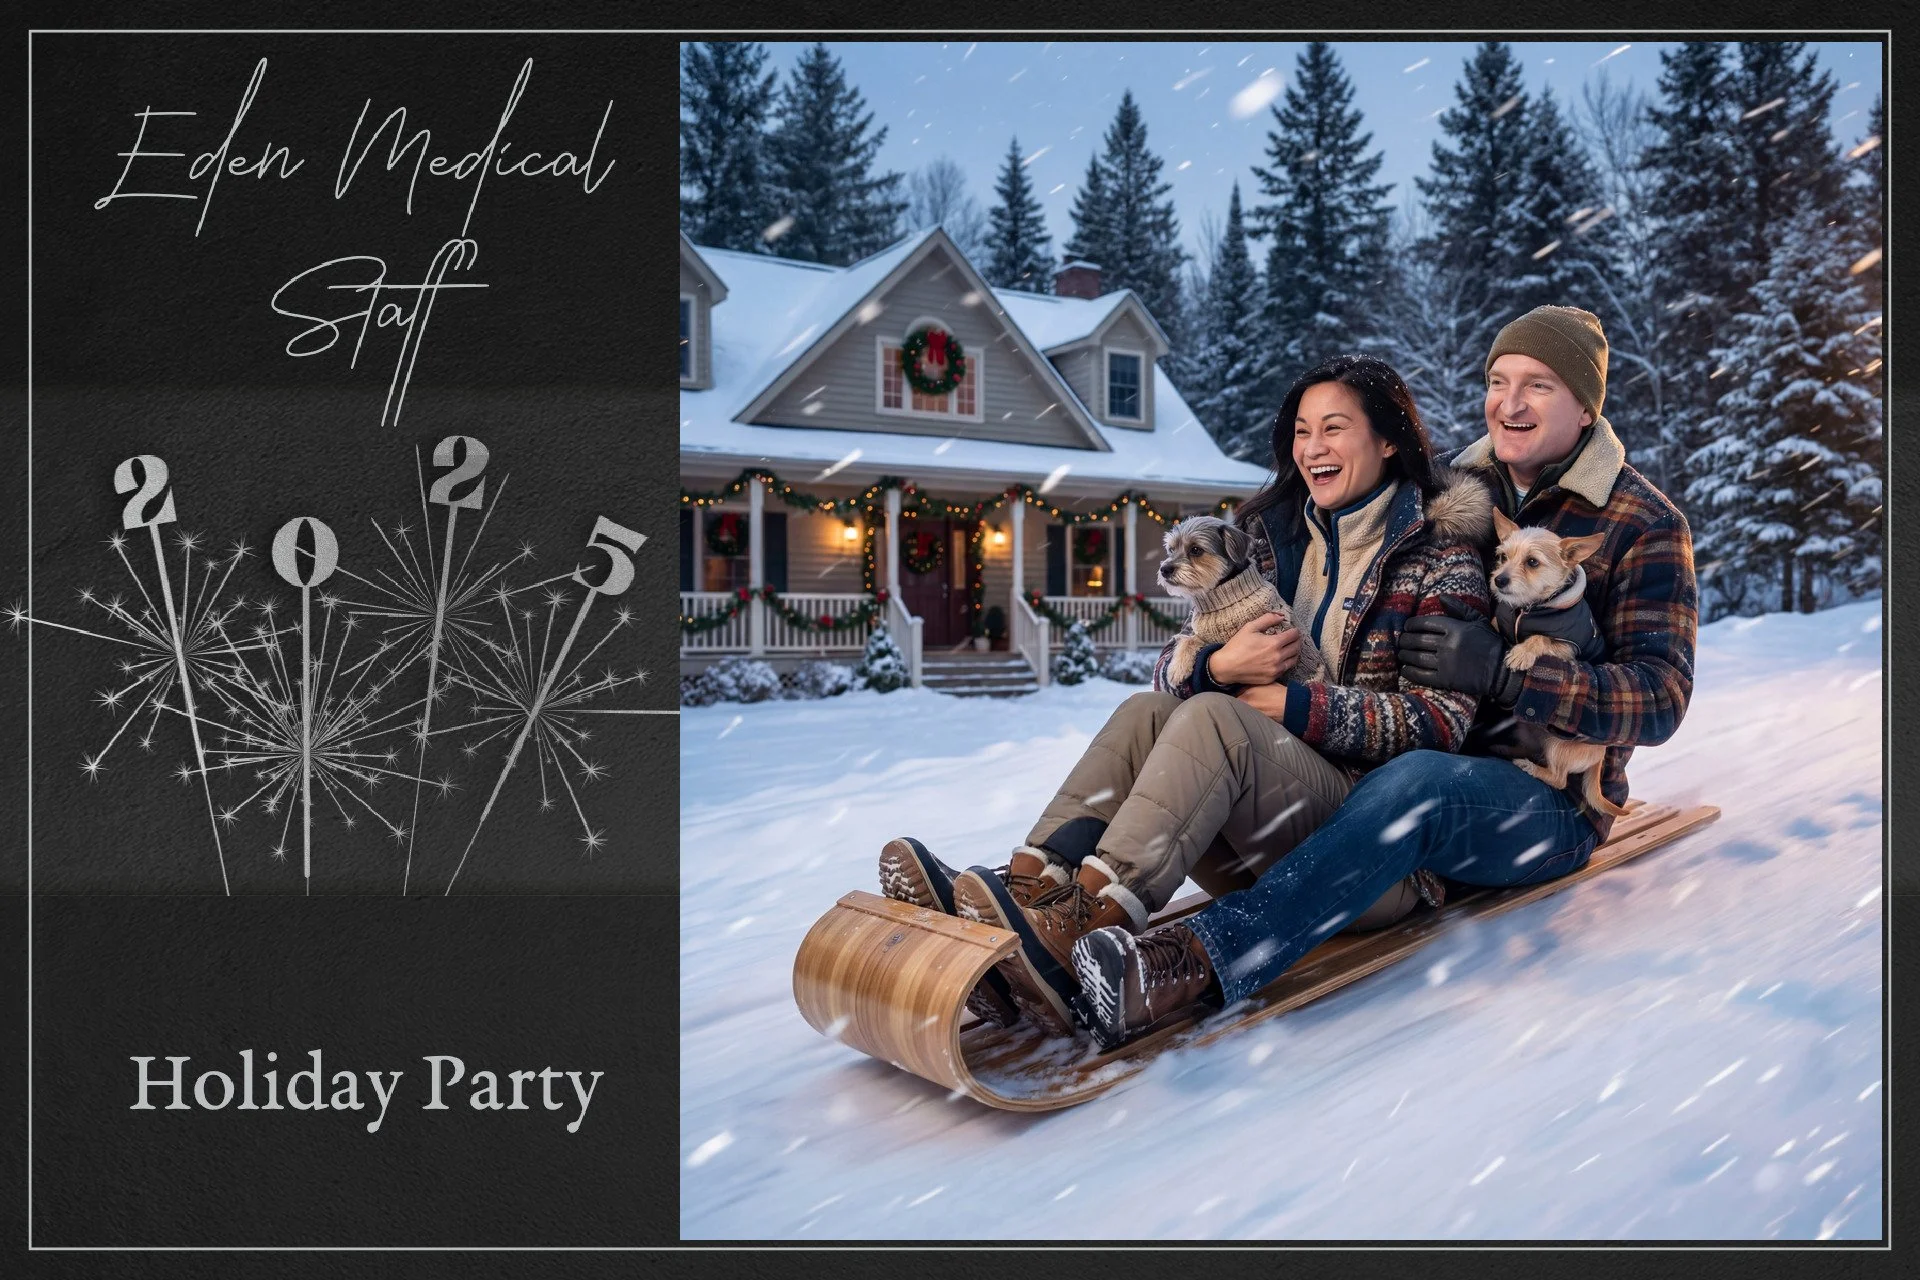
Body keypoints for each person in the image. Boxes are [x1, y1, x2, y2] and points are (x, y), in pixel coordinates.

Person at [1071, 305, 1698, 1050]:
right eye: (1498, 381)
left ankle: (1196, 962)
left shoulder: (1641, 521)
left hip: (1545, 800)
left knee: (1420, 782)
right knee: (1362, 771)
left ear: (1587, 406)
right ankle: (1056, 905)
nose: (1510, 402)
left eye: (1538, 386)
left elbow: (1661, 699)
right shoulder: (1459, 494)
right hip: (1410, 764)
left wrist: (1506, 675)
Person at [878, 353, 1496, 1033]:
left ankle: (1084, 927)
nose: (1312, 447)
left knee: (1213, 724)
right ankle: (1035, 890)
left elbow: (1444, 726)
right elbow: (1171, 670)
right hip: (1267, 825)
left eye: (1334, 428)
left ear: (1387, 439)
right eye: (1300, 430)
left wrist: (1296, 707)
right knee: (1148, 710)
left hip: (1371, 851)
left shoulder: (1440, 556)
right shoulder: (1271, 537)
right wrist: (1217, 668)